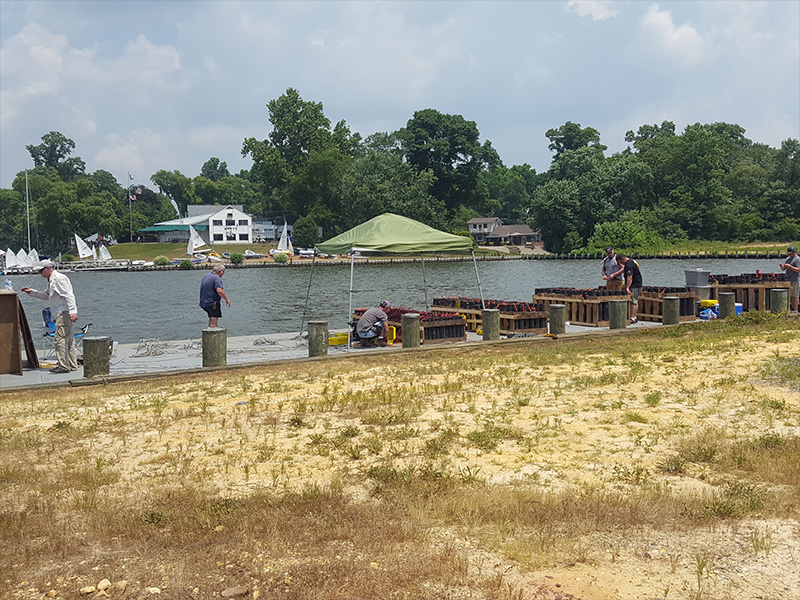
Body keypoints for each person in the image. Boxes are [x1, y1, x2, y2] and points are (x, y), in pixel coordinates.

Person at [20, 259, 79, 373]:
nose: (40, 273)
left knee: (60, 339)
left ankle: (63, 366)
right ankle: (71, 364)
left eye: (41, 271)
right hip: (62, 312)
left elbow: (69, 295)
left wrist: (73, 312)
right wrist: (31, 292)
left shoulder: (58, 278)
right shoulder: (52, 280)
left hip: (63, 312)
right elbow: (47, 295)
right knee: (68, 339)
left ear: (48, 268)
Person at [616, 253, 642, 323]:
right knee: (635, 300)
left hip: (634, 285)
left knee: (633, 301)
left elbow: (629, 277)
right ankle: (634, 317)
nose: (621, 264)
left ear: (623, 259)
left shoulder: (629, 265)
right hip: (638, 284)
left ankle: (632, 318)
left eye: (620, 262)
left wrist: (627, 287)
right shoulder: (632, 261)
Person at [779, 245, 800, 313]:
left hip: (795, 279)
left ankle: (795, 309)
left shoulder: (797, 259)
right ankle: (791, 308)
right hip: (788, 279)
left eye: (790, 253)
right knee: (790, 295)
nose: (789, 254)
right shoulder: (788, 259)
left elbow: (798, 270)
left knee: (795, 295)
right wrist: (783, 266)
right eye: (788, 253)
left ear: (794, 252)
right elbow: (783, 269)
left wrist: (790, 267)